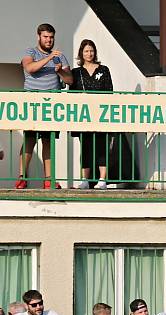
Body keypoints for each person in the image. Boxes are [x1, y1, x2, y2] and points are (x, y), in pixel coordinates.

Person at [18, 23, 73, 189]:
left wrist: (60, 71)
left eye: (51, 37)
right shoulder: (31, 52)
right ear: (39, 37)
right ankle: (22, 177)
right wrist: (49, 58)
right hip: (33, 103)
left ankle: (49, 178)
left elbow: (69, 79)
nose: (49, 40)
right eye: (46, 37)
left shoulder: (60, 57)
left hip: (52, 106)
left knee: (48, 141)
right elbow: (30, 68)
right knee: (29, 139)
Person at [69, 39, 113, 190]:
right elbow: (72, 93)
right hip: (83, 116)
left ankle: (102, 180)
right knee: (85, 147)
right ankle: (85, 180)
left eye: (91, 50)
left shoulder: (104, 69)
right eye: (86, 51)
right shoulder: (76, 72)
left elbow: (109, 91)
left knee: (102, 147)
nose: (89, 53)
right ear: (81, 53)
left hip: (101, 115)